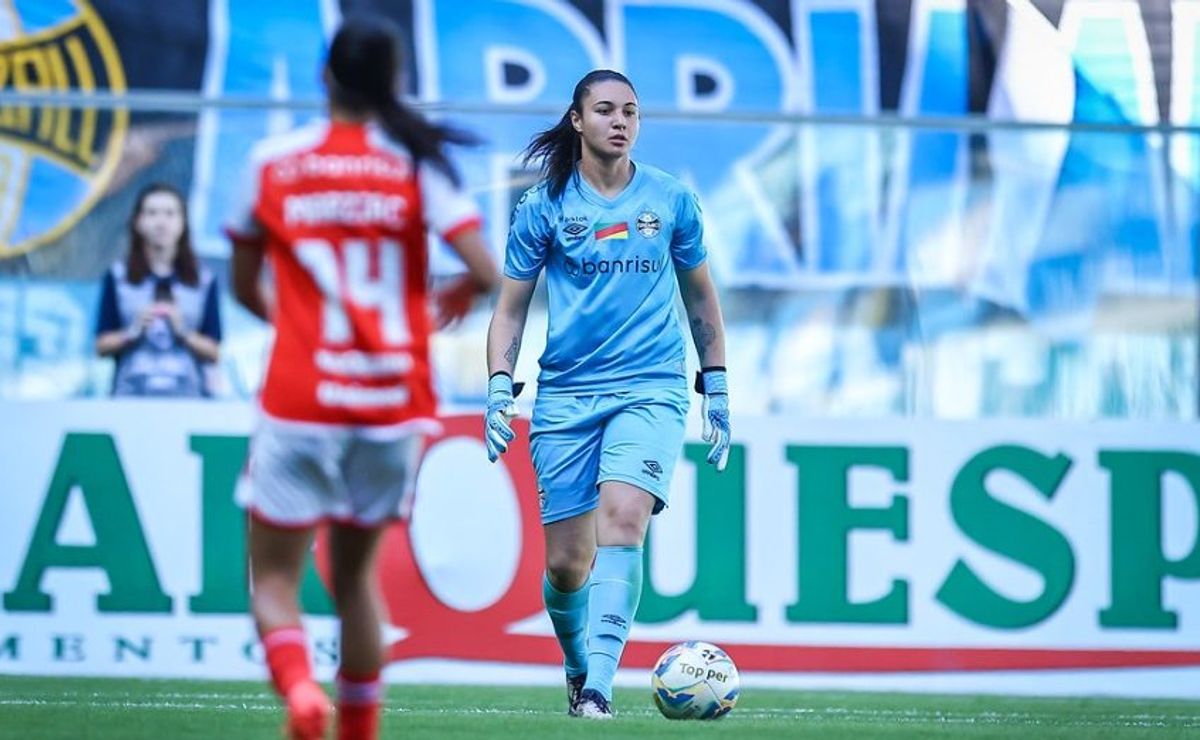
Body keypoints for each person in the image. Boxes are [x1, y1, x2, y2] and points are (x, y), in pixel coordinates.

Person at [225, 17, 498, 740]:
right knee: (355, 585)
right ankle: (357, 732)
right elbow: (485, 270)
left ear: (324, 76)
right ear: (393, 82)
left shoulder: (274, 163)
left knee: (276, 581)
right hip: (389, 405)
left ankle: (301, 695)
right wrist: (453, 301)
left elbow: (245, 283)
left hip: (302, 397)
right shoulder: (415, 165)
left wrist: (297, 325)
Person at [485, 69, 731, 719]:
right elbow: (510, 309)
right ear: (577, 120)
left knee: (624, 518)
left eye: (631, 111)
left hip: (651, 386)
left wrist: (718, 385)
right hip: (566, 393)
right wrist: (497, 389)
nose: (620, 121)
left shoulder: (672, 200)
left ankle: (598, 686)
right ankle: (576, 666)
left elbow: (701, 294)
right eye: (605, 110)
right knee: (568, 565)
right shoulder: (543, 205)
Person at [95, 182, 221, 397]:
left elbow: (214, 352)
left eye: (170, 214)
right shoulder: (118, 277)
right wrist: (131, 333)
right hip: (130, 398)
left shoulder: (203, 280)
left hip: (189, 401)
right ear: (137, 221)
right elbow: (101, 346)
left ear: (183, 223)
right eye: (152, 213)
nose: (161, 223)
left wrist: (183, 332)